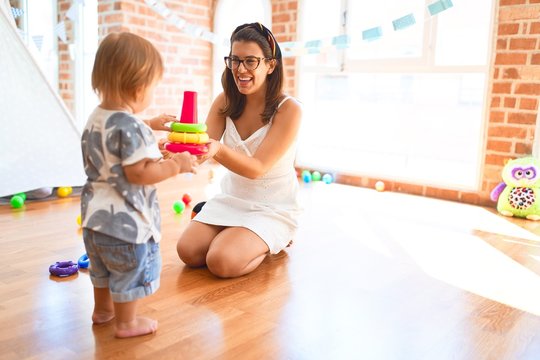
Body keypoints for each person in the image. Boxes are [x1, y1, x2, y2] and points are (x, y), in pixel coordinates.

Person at [80, 32, 198, 338]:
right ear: (138, 88)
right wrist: (176, 164)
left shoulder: (96, 118)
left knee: (102, 270)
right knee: (127, 270)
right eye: (153, 87)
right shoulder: (131, 128)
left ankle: (103, 311)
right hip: (125, 224)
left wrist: (151, 123)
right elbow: (139, 173)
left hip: (95, 218)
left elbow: (118, 138)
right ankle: (127, 322)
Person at [176, 23, 302, 278]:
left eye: (250, 61)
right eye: (234, 60)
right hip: (232, 199)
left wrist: (218, 150)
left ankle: (273, 239)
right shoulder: (225, 100)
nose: (240, 69)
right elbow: (203, 150)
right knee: (187, 251)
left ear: (270, 65)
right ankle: (237, 235)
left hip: (271, 208)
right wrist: (176, 150)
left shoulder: (290, 110)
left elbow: (256, 169)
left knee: (221, 261)